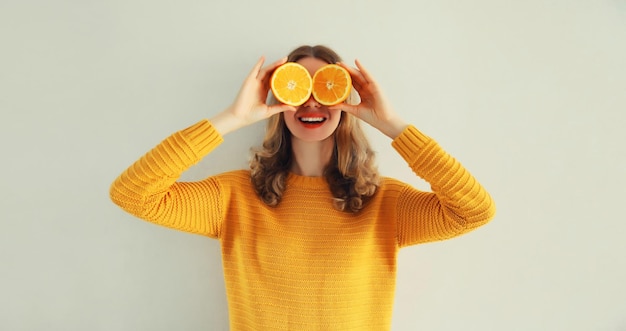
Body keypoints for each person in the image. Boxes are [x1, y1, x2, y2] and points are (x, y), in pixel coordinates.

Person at [110, 45, 496, 330]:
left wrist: (392, 124)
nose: (311, 101)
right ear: (277, 100)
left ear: (347, 101)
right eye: (296, 88)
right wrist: (232, 118)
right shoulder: (234, 197)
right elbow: (133, 193)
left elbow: (474, 210)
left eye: (326, 87)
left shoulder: (385, 203)